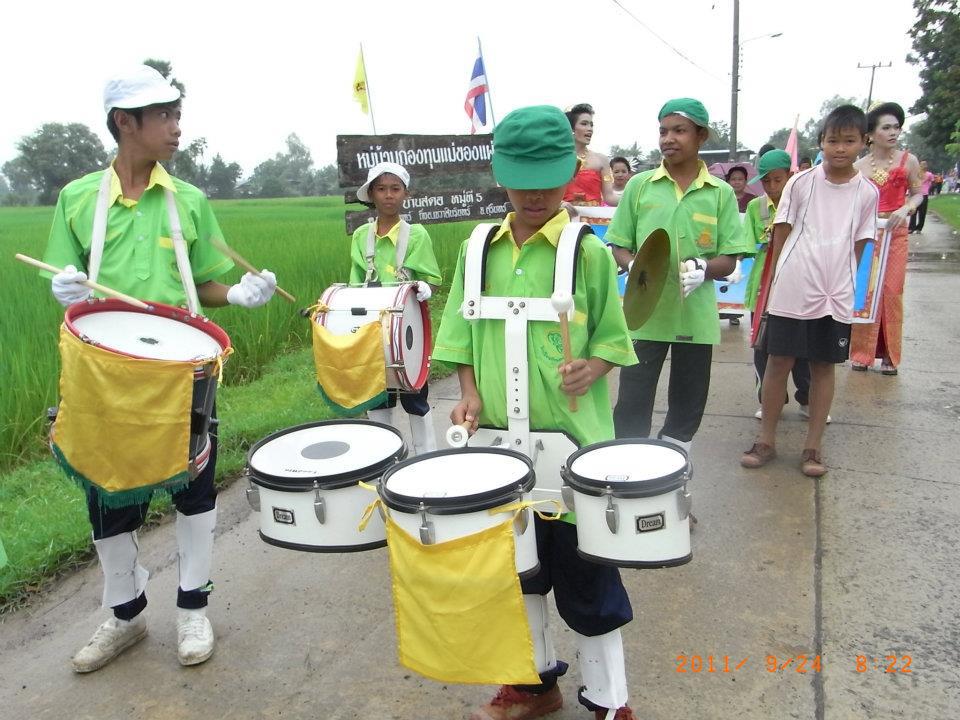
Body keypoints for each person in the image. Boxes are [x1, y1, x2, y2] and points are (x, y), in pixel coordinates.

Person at [43, 65, 277, 673]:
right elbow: (60, 277)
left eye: (177, 114)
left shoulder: (189, 201)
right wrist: (63, 288)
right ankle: (124, 613)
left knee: (193, 488)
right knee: (105, 489)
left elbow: (205, 284)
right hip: (104, 374)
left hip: (182, 372)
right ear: (127, 123)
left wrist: (240, 294)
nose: (177, 127)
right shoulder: (77, 200)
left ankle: (193, 608)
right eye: (165, 116)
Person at [434, 105, 639, 720]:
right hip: (501, 445)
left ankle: (610, 701)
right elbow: (459, 340)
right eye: (521, 177)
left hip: (575, 447)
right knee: (515, 571)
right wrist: (468, 393)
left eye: (548, 177)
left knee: (588, 577)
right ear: (500, 173)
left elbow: (613, 335)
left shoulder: (588, 253)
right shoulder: (478, 251)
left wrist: (595, 366)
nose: (534, 192)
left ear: (570, 171)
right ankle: (532, 684)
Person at [608, 98, 752, 458]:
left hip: (695, 314)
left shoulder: (718, 193)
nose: (668, 139)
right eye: (663, 131)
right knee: (631, 403)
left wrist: (704, 269)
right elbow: (619, 244)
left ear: (701, 136)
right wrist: (634, 267)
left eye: (679, 130)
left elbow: (730, 255)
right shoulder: (641, 186)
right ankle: (631, 475)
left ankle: (671, 479)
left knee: (687, 406)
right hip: (645, 314)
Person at [741, 105, 878, 477]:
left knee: (823, 368)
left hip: (834, 295)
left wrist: (843, 282)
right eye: (832, 140)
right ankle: (765, 440)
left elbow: (861, 244)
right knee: (778, 363)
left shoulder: (867, 192)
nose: (839, 148)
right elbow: (781, 234)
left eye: (849, 141)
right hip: (792, 289)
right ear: (821, 143)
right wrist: (779, 284)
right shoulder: (800, 183)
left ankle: (812, 448)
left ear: (862, 143)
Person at [348, 162, 442, 454]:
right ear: (372, 195)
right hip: (372, 329)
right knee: (377, 396)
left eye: (395, 189)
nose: (388, 195)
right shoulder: (361, 236)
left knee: (415, 395)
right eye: (381, 189)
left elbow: (432, 280)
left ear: (405, 194)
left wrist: (425, 287)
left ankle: (426, 456)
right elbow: (355, 284)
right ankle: (383, 456)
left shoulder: (416, 236)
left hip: (407, 331)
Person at [742, 150, 831, 424]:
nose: (771, 187)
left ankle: (807, 398)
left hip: (798, 285)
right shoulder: (757, 208)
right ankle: (770, 400)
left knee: (801, 348)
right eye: (766, 182)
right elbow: (746, 246)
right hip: (764, 286)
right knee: (762, 348)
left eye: (777, 180)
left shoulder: (808, 205)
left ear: (790, 177)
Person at [849, 102, 923, 375]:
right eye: (887, 127)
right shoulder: (858, 166)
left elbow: (917, 193)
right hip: (868, 235)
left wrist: (906, 208)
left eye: (896, 127)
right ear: (871, 133)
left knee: (891, 292)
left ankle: (891, 355)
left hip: (896, 234)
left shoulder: (908, 161)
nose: (893, 132)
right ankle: (861, 353)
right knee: (866, 292)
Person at [562, 103, 620, 207]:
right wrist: (559, 204)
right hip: (562, 218)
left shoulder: (601, 160)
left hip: (594, 219)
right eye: (584, 124)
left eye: (591, 125)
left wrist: (635, 201)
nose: (590, 129)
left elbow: (609, 197)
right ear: (571, 128)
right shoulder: (558, 159)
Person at [909, 160, 934, 233]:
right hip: (924, 195)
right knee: (922, 213)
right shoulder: (929, 174)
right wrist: (928, 186)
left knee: (914, 211)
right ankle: (919, 228)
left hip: (916, 194)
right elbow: (931, 181)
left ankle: (911, 228)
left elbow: (913, 182)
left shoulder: (917, 174)